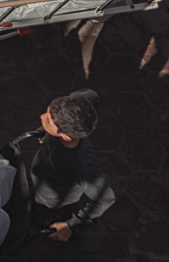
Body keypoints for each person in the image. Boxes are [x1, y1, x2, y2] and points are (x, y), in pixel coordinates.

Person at [30, 89, 116, 242]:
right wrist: (46, 129)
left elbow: (106, 198)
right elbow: (92, 94)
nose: (42, 117)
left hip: (51, 200)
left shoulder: (82, 166)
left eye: (48, 120)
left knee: (40, 215)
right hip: (42, 179)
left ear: (65, 136)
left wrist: (71, 225)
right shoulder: (73, 105)